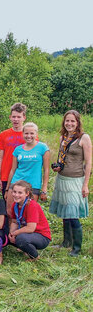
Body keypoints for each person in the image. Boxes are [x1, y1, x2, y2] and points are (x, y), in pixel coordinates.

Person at [49, 110, 91, 257]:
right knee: (65, 214)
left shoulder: (84, 138)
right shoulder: (63, 137)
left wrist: (85, 184)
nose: (70, 123)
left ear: (78, 122)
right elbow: (63, 158)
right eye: (67, 121)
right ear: (64, 122)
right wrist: (57, 167)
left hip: (75, 180)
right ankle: (66, 242)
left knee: (73, 215)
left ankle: (77, 248)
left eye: (73, 121)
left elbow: (89, 163)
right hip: (62, 179)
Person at [6, 123, 50, 209]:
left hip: (33, 185)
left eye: (32, 133)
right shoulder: (18, 149)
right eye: (26, 133)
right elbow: (13, 170)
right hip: (16, 183)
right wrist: (7, 189)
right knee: (10, 211)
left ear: (36, 134)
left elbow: (46, 170)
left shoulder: (43, 148)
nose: (29, 136)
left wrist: (44, 189)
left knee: (28, 211)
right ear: (23, 134)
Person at [8, 180, 51, 260]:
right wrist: (11, 234)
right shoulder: (15, 204)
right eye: (14, 192)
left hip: (41, 235)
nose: (16, 195)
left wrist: (15, 233)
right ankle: (25, 248)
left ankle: (34, 257)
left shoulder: (32, 205)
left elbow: (30, 228)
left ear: (27, 194)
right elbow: (14, 222)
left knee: (20, 239)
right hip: (27, 233)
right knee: (8, 236)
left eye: (20, 193)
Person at [0, 103, 27, 198]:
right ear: (10, 117)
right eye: (13, 117)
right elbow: (0, 157)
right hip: (6, 174)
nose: (16, 119)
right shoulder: (4, 135)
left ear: (24, 117)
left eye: (18, 117)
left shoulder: (29, 135)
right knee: (7, 203)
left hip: (23, 175)